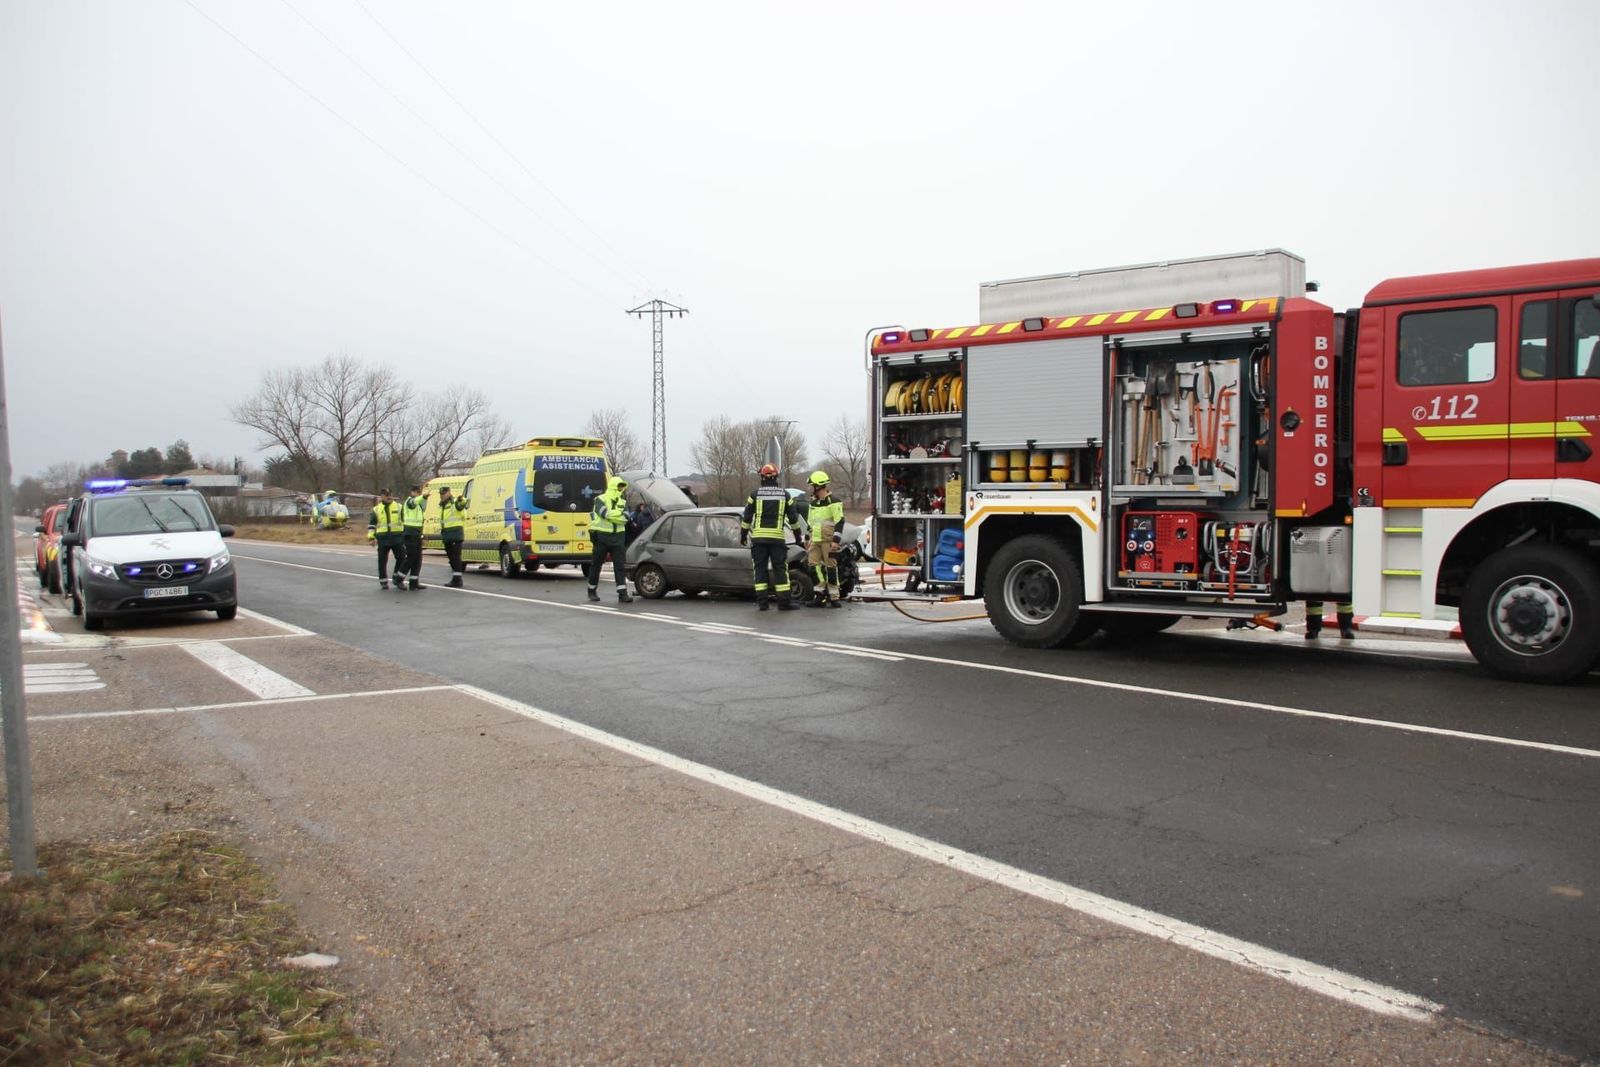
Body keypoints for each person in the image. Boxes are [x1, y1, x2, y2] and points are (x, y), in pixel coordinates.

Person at [741, 464, 804, 611]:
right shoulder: (785, 495)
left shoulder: (754, 495)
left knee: (760, 569)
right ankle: (784, 603)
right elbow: (793, 519)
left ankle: (762, 603)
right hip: (776, 539)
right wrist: (798, 537)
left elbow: (747, 517)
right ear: (776, 477)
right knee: (780, 569)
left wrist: (743, 535)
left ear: (762, 477)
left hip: (758, 539)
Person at [586, 475, 634, 603]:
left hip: (618, 537)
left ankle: (622, 593)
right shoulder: (599, 499)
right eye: (619, 486)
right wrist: (617, 516)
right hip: (601, 536)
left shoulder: (622, 502)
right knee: (596, 565)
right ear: (613, 486)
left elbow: (626, 518)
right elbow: (603, 513)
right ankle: (592, 590)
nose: (621, 489)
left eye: (622, 487)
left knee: (620, 566)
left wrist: (612, 516)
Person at [803, 470, 845, 608]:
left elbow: (840, 521)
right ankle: (819, 596)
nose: (811, 489)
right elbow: (810, 523)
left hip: (829, 542)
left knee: (831, 568)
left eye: (812, 486)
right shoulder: (813, 503)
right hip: (815, 541)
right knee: (813, 567)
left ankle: (834, 597)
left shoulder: (834, 502)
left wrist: (835, 541)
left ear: (819, 486)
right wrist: (807, 539)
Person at [366, 488, 407, 591]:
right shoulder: (376, 509)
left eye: (390, 494)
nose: (389, 496)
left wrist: (405, 535)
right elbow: (372, 525)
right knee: (382, 561)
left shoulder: (399, 507)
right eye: (386, 495)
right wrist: (371, 537)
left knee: (402, 558)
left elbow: (405, 521)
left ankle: (397, 578)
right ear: (382, 496)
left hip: (397, 537)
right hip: (383, 538)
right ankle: (383, 581)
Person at [438, 484, 469, 588]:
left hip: (455, 534)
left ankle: (457, 580)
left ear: (449, 493)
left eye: (444, 493)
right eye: (441, 494)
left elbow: (462, 504)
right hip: (447, 534)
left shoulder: (454, 502)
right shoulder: (442, 505)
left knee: (455, 558)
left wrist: (462, 499)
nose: (442, 496)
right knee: (451, 558)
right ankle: (456, 578)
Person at [400, 484, 429, 591]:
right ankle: (399, 578)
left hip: (416, 533)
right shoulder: (409, 502)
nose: (418, 494)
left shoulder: (419, 504)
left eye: (419, 492)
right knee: (411, 557)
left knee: (417, 559)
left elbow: (423, 509)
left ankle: (414, 582)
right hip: (410, 533)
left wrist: (422, 535)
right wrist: (423, 497)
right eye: (417, 492)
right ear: (412, 492)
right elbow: (413, 503)